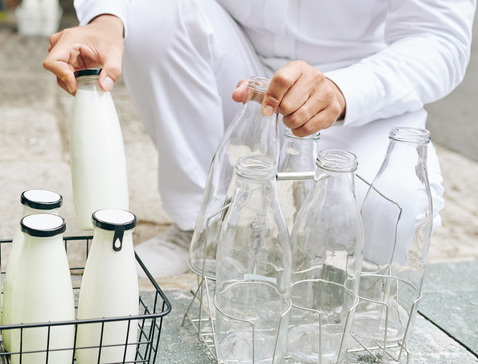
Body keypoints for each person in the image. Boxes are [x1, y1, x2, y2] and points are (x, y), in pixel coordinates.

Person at [44, 0, 476, 278]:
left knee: (391, 219)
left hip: (361, 82)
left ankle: (320, 230)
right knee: (153, 12)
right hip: (233, 63)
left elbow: (438, 38)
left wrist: (344, 91)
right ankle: (201, 226)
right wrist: (107, 19)